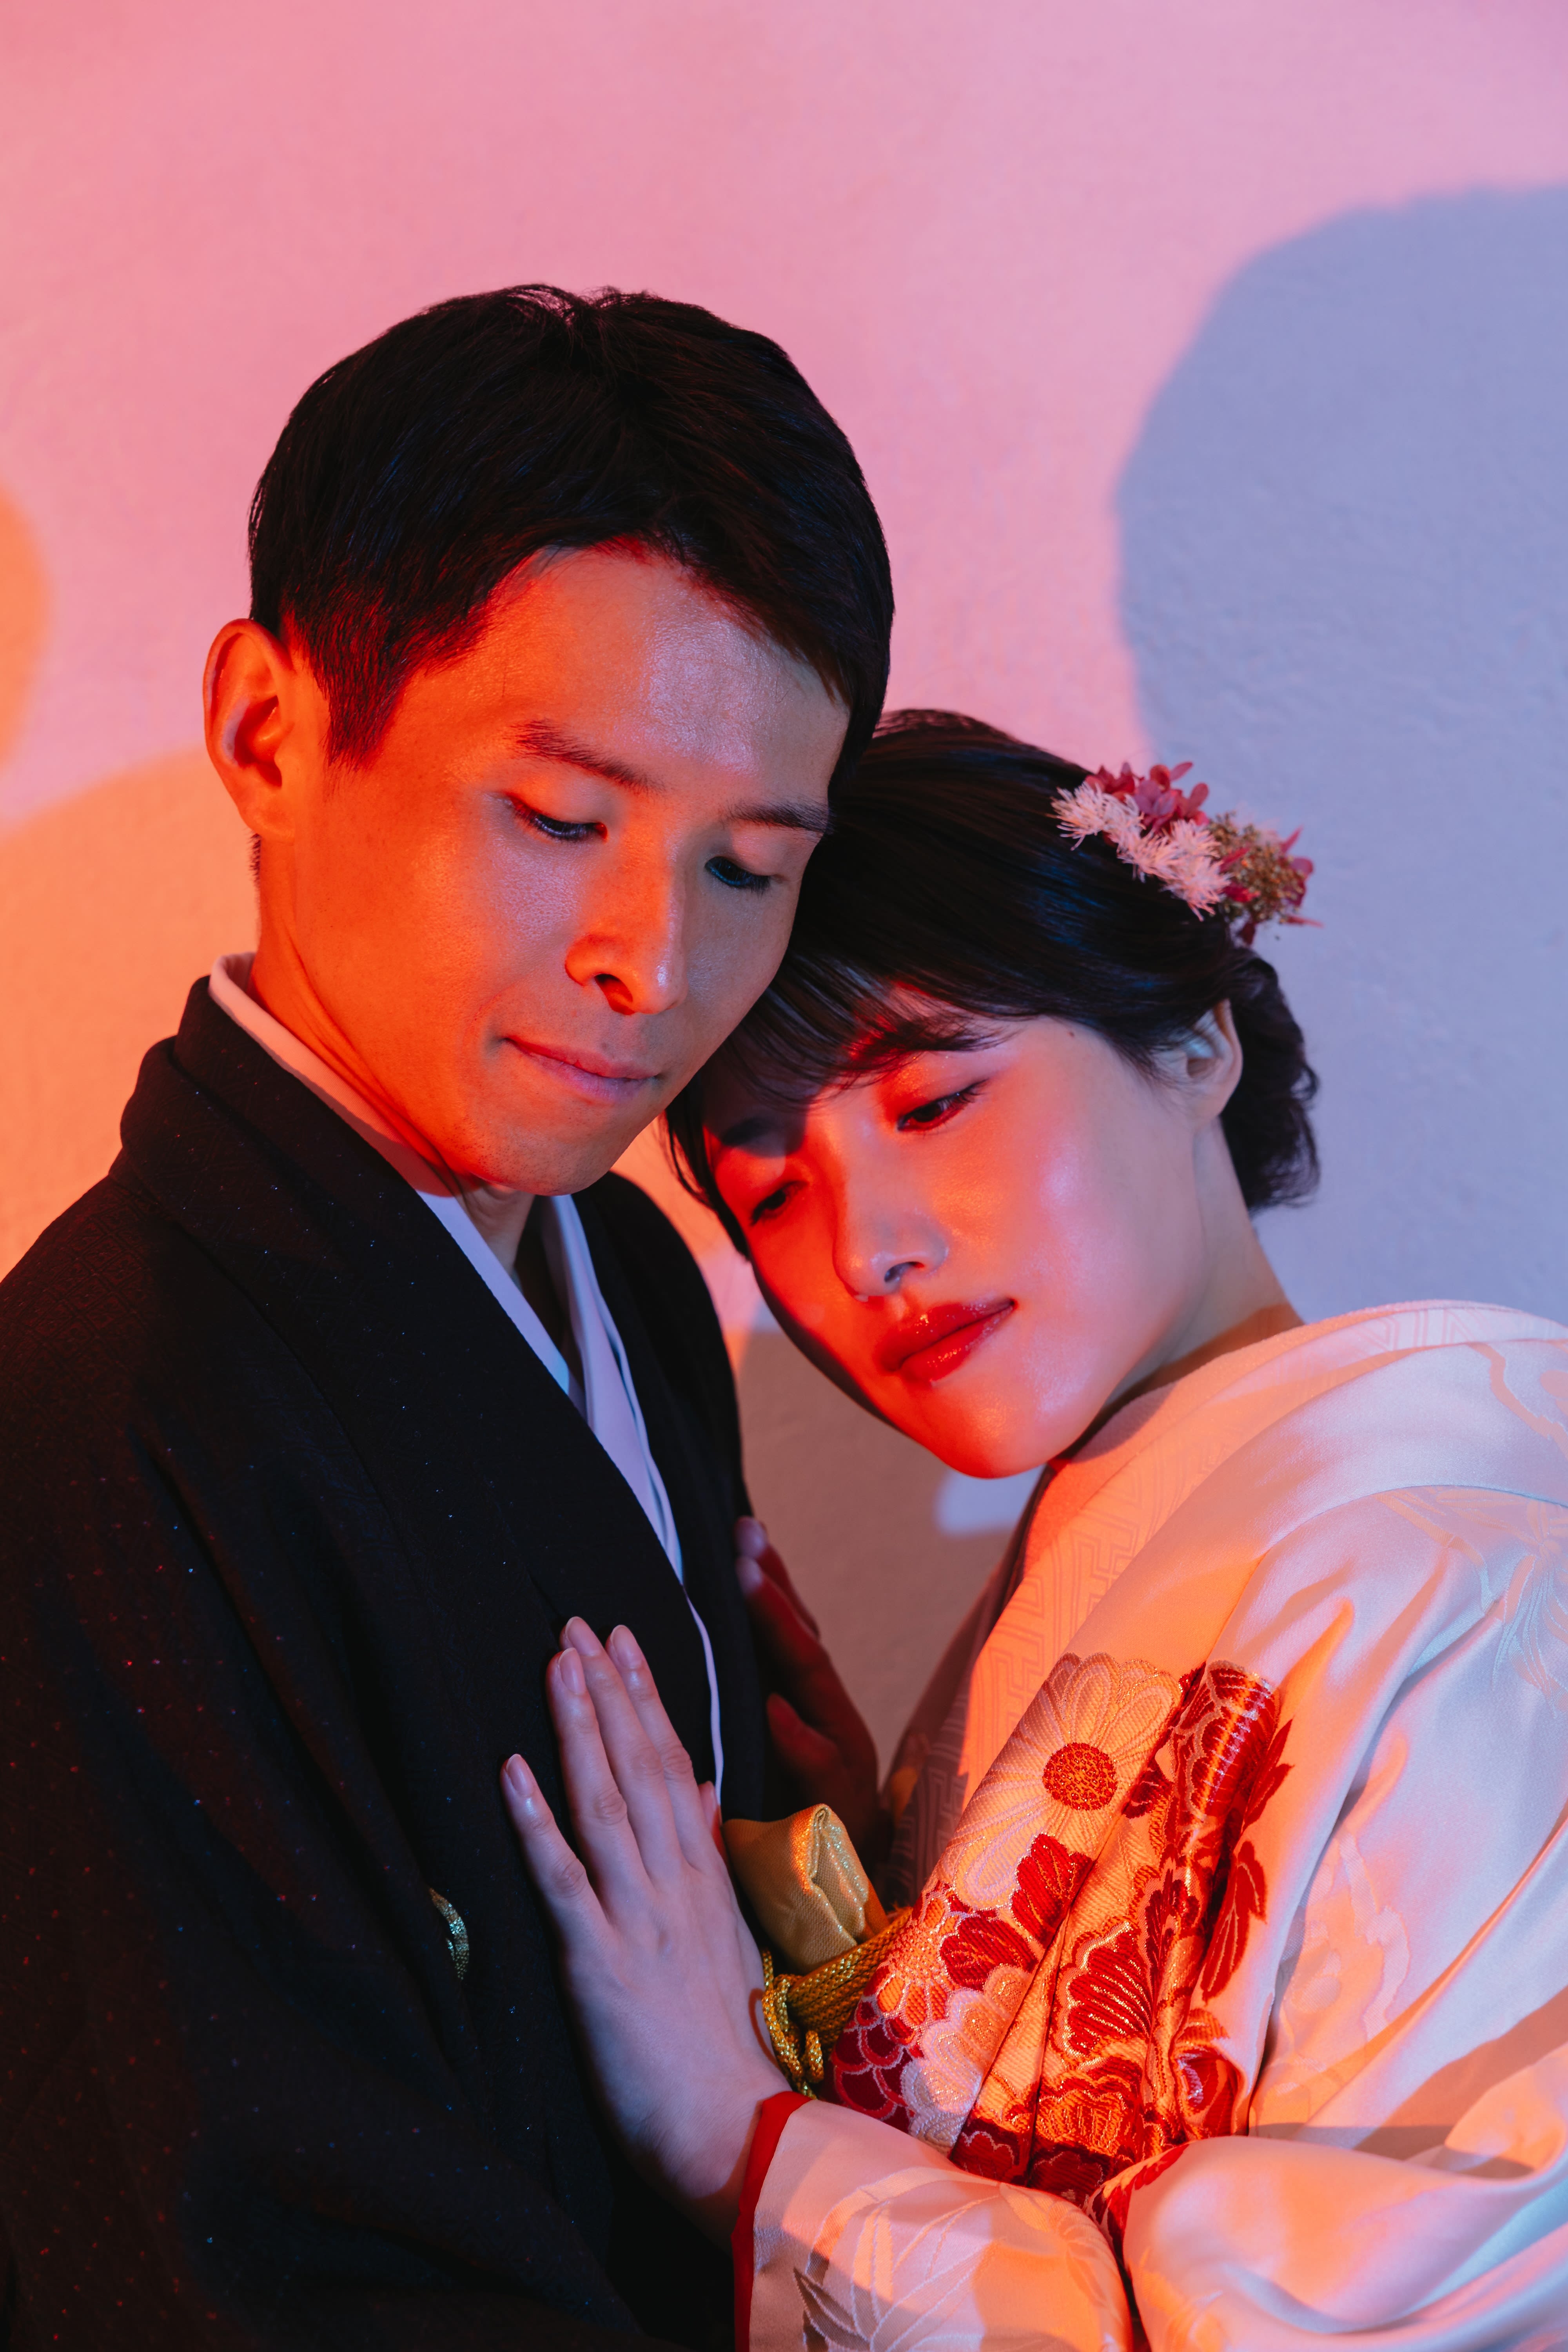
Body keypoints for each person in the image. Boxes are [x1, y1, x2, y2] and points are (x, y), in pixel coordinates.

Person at [0, 286, 893, 2349]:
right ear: (271, 731)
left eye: (750, 867)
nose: (652, 963)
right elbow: (234, 2267)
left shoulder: (631, 1276)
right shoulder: (108, 1420)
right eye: (561, 820)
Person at [503, 712, 1568, 2348]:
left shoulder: (1463, 1588)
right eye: (773, 1195)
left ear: (1193, 1041)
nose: (869, 1250)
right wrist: (893, 1905)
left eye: (934, 1103)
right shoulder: (1132, 1535)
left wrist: (748, 2145)